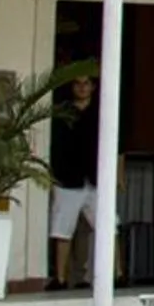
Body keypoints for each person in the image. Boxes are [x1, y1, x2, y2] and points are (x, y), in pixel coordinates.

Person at [48, 71, 99, 289]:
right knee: (62, 230)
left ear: (93, 87)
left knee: (108, 228)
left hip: (96, 178)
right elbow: (54, 147)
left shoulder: (101, 111)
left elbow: (118, 146)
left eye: (86, 83)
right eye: (77, 84)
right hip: (67, 178)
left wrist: (118, 176)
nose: (82, 88)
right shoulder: (62, 113)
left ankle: (115, 275)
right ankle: (60, 278)